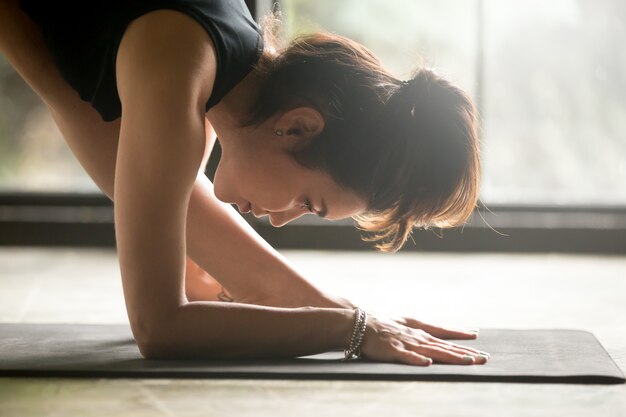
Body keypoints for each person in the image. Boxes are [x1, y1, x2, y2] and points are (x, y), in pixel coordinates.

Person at [0, 0, 489, 366]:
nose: (281, 218)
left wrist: (358, 317)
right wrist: (350, 329)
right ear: (297, 127)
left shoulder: (217, 64)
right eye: (307, 202)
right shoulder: (174, 61)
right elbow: (160, 326)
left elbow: (214, 269)